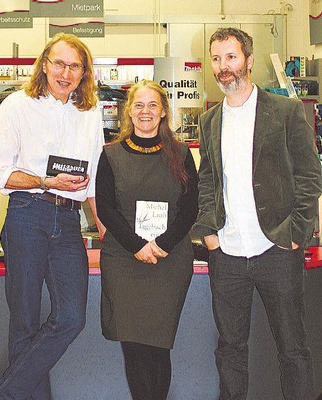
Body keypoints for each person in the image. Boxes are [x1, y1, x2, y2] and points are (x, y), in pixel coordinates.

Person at [193, 27, 322, 399]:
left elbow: (310, 175)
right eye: (216, 59)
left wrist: (297, 232)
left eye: (231, 57)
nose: (223, 67)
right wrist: (209, 230)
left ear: (248, 60)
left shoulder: (285, 111)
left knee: (293, 349)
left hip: (276, 250)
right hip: (227, 256)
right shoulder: (210, 120)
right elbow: (207, 181)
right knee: (230, 350)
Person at [0, 33, 105, 400]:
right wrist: (47, 180)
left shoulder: (89, 113)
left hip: (68, 223)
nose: (66, 72)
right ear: (44, 65)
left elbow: (93, 181)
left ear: (84, 73)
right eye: (59, 63)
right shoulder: (17, 106)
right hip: (27, 214)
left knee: (71, 317)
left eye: (75, 66)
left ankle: (1, 393)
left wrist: (104, 229)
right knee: (24, 321)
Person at [95, 80, 198, 400]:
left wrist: (163, 244)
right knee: (134, 347)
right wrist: (137, 245)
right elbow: (106, 208)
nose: (145, 111)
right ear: (129, 111)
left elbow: (191, 206)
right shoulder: (110, 155)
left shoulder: (181, 153)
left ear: (164, 111)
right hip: (125, 261)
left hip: (169, 261)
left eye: (152, 105)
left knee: (158, 346)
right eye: (138, 105)